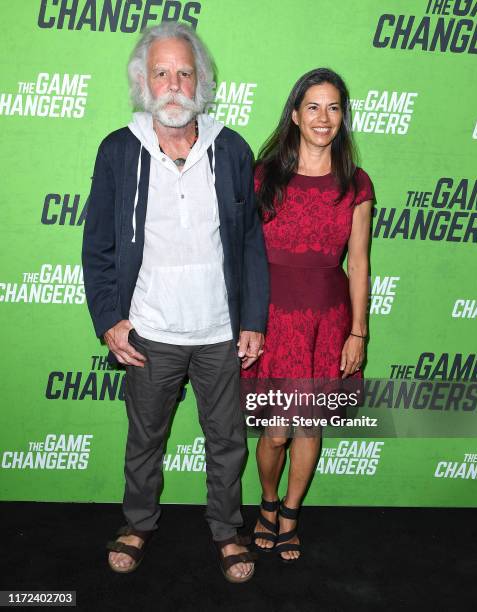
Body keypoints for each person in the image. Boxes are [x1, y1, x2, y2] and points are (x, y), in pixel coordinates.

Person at [81, 22, 268, 582]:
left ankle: (226, 531)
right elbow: (99, 246)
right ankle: (137, 524)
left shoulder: (230, 147)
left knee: (228, 441)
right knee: (144, 440)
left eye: (184, 72)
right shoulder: (119, 150)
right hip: (150, 331)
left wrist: (253, 319)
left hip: (217, 330)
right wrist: (109, 318)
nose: (173, 84)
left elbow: (251, 242)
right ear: (143, 81)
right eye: (161, 73)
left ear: (201, 80)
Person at [242, 68, 373, 562]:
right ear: (295, 115)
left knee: (308, 426)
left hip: (327, 317)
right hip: (271, 317)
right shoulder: (262, 176)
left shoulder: (355, 184)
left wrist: (358, 331)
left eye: (334, 107)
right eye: (313, 107)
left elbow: (358, 263)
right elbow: (241, 252)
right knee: (275, 430)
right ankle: (268, 502)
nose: (324, 117)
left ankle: (291, 514)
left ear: (343, 116)